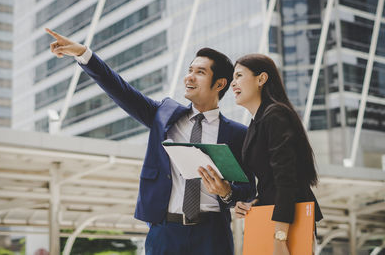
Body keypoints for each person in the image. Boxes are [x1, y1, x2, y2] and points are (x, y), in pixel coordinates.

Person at [46, 28, 254, 255]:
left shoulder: (238, 134)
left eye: (200, 72)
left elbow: (248, 189)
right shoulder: (164, 115)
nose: (189, 77)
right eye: (190, 70)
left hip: (212, 235)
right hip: (165, 233)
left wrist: (226, 191)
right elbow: (120, 90)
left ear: (220, 84)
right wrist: (84, 54)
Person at [230, 54, 323, 255]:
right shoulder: (257, 122)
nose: (233, 83)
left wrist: (280, 238)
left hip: (288, 225)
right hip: (270, 218)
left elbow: (286, 180)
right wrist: (252, 203)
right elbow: (269, 183)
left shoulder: (275, 116)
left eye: (238, 76)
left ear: (261, 79)